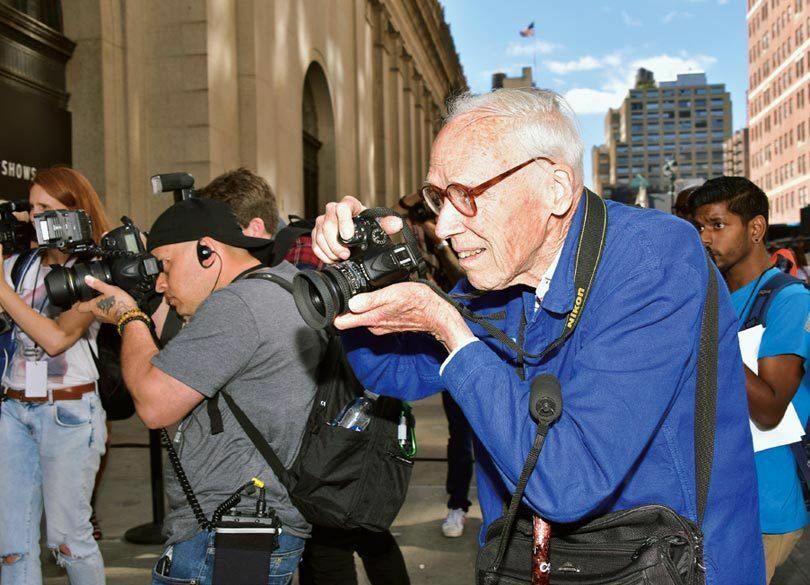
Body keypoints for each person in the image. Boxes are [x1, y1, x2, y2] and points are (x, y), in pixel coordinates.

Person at [311, 88, 765, 583]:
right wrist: (360, 274)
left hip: (665, 563)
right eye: (439, 198)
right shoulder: (502, 277)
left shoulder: (653, 259)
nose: (443, 226)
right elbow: (391, 371)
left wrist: (450, 330)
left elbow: (568, 480)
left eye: (466, 195)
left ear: (555, 188)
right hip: (533, 563)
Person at [76, 197, 324, 585]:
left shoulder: (237, 307)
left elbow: (154, 405)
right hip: (257, 526)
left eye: (165, 265)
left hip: (224, 534)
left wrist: (128, 316)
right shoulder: (282, 282)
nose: (159, 282)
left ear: (207, 251)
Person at [199, 169, 409, 585]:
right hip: (343, 421)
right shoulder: (290, 252)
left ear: (254, 227)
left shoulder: (302, 252)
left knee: (334, 545)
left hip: (335, 425)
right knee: (365, 532)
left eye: (215, 236)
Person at [691, 176, 809, 584]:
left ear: (756, 229)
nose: (705, 238)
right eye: (699, 227)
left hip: (764, 506)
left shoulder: (790, 300)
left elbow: (771, 406)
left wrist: (707, 336)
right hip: (712, 502)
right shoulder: (711, 296)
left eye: (718, 225)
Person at [0, 166, 109, 585]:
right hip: (13, 409)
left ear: (74, 210)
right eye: (31, 207)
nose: (35, 215)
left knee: (69, 541)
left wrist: (3, 290)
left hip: (69, 413)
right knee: (11, 548)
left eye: (47, 206)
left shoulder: (94, 270)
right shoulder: (20, 264)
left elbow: (56, 339)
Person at [395, 192, 474, 538]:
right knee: (459, 437)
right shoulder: (413, 250)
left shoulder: (460, 239)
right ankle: (457, 504)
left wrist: (441, 243)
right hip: (446, 353)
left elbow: (463, 282)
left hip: (480, 344)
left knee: (486, 436)